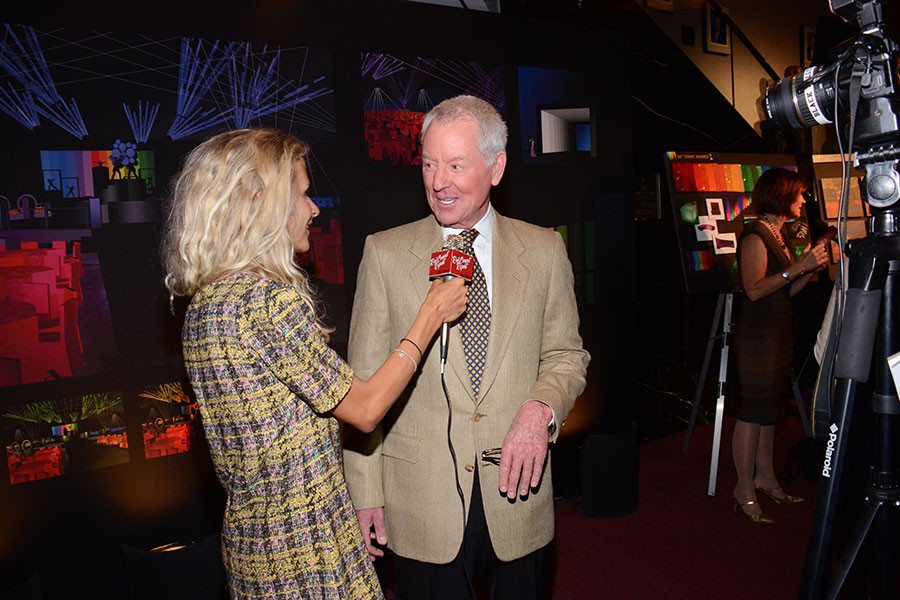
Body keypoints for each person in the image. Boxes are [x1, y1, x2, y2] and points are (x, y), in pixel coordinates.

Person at [162, 128, 467, 599]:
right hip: (309, 554)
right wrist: (428, 316)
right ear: (263, 202)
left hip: (253, 552)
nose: (314, 208)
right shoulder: (266, 301)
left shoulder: (203, 305)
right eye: (303, 195)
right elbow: (365, 408)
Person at [343, 95, 590, 599]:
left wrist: (541, 408)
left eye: (456, 165)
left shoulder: (544, 250)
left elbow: (567, 355)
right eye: (429, 164)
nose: (439, 182)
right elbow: (361, 384)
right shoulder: (386, 254)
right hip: (420, 504)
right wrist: (365, 494)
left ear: (496, 167)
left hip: (517, 496)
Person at [731, 168, 829, 524]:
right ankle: (743, 488)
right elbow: (754, 289)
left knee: (770, 413)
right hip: (757, 336)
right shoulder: (756, 234)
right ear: (783, 196)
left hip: (777, 332)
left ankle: (766, 477)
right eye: (800, 195)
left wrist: (808, 269)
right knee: (751, 416)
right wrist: (796, 269)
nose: (804, 201)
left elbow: (786, 289)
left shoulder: (779, 232)